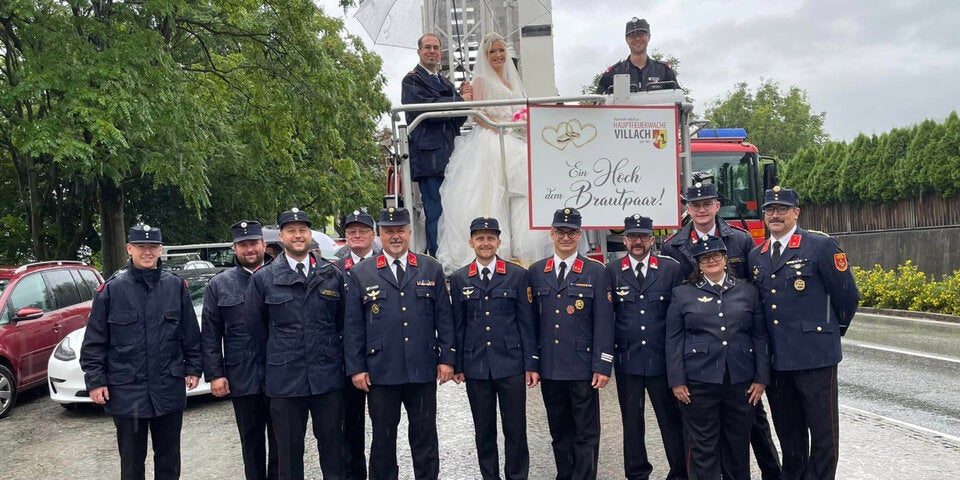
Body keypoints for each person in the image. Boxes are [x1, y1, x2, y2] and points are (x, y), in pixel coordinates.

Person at [661, 182, 781, 479]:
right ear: (687, 208)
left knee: (750, 429)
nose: (701, 209)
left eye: (707, 203)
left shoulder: (739, 240)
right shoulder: (672, 245)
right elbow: (674, 316)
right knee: (700, 440)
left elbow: (757, 292)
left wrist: (759, 372)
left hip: (739, 359)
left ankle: (773, 473)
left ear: (717, 205)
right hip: (701, 362)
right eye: (695, 204)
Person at [747, 186, 860, 480]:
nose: (775, 215)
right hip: (777, 362)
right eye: (770, 210)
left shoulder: (820, 246)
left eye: (782, 209)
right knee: (789, 434)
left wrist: (829, 333)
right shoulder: (756, 255)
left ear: (796, 212)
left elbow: (847, 296)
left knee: (823, 436)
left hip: (815, 357)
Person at [80, 223, 202, 480]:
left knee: (169, 460)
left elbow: (190, 333)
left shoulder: (175, 287)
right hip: (127, 390)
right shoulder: (112, 290)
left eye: (153, 247)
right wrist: (95, 380)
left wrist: (193, 367)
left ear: (160, 250)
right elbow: (94, 341)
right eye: (141, 247)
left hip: (167, 387)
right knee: (132, 463)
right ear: (129, 249)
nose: (148, 252)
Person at [343, 207, 456, 480]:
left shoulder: (431, 267)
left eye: (400, 231)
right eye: (389, 231)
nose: (395, 236)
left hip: (421, 368)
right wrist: (356, 368)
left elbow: (445, 318)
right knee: (382, 440)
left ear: (408, 233)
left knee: (425, 437)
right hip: (382, 370)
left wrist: (447, 359)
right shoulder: (361, 273)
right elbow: (353, 326)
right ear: (380, 235)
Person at [436, 31, 552, 271]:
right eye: (492, 52)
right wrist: (500, 128)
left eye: (501, 51)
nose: (498, 55)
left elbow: (520, 110)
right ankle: (495, 248)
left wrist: (519, 124)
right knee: (489, 194)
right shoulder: (480, 81)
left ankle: (524, 247)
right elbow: (479, 115)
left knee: (523, 193)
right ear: (485, 56)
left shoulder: (513, 81)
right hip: (490, 139)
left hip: (513, 139)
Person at [245, 208, 346, 480]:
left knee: (334, 451)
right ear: (281, 236)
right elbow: (256, 331)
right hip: (285, 381)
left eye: (302, 230)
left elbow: (341, 324)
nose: (297, 235)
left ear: (310, 235)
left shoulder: (331, 275)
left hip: (326, 377)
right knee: (288, 456)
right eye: (291, 231)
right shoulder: (263, 279)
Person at [449, 216, 539, 480]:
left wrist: (531, 363)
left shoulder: (517, 275)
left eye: (490, 238)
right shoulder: (459, 278)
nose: (485, 243)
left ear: (499, 242)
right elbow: (458, 325)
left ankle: (517, 476)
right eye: (480, 238)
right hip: (476, 366)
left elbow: (526, 322)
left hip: (510, 364)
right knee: (483, 430)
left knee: (515, 430)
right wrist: (458, 365)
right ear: (471, 242)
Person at [528, 207, 614, 480]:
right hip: (551, 366)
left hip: (582, 367)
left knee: (586, 432)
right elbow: (530, 324)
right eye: (560, 232)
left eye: (572, 232)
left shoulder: (595, 271)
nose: (566, 237)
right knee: (559, 431)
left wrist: (602, 365)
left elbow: (604, 322)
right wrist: (532, 363)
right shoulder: (537, 271)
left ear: (579, 236)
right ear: (552, 234)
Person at [605, 214, 686, 480]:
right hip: (628, 359)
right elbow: (607, 317)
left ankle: (679, 472)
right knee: (631, 422)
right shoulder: (612, 272)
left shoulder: (670, 269)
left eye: (643, 236)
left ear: (652, 239)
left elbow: (679, 317)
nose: (637, 242)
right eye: (632, 237)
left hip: (661, 360)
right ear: (624, 240)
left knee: (671, 421)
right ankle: (637, 474)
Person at [201, 220, 277, 480]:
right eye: (243, 245)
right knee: (251, 440)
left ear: (263, 244)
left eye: (253, 243)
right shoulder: (220, 284)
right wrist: (215, 374)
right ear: (234, 248)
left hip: (280, 372)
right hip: (242, 375)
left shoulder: (280, 275)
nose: (249, 249)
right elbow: (210, 333)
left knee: (282, 440)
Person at [401, 33, 473, 257]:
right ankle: (437, 258)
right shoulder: (412, 80)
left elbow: (457, 120)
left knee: (453, 211)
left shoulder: (446, 83)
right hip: (429, 158)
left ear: (441, 53)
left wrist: (465, 99)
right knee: (436, 211)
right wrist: (459, 101)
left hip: (451, 155)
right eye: (427, 47)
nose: (432, 51)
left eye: (436, 48)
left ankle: (453, 255)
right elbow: (424, 109)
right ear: (419, 52)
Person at [334, 210, 382, 480]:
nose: (357, 235)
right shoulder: (334, 269)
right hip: (346, 359)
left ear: (372, 235)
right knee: (350, 425)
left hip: (379, 356)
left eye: (362, 231)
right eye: (351, 231)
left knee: (382, 425)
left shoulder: (383, 265)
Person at [597, 17, 679, 94]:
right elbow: (597, 104)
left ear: (649, 36)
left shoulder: (664, 71)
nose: (637, 39)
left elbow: (679, 103)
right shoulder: (614, 73)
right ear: (626, 39)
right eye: (632, 35)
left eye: (641, 34)